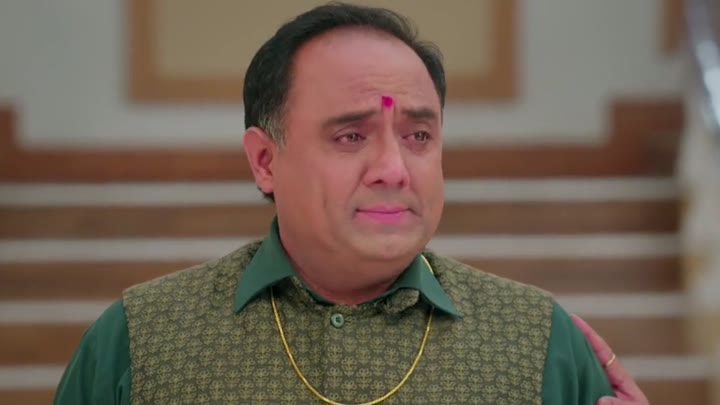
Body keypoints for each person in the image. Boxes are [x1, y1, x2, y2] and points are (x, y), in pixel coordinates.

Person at [54, 2, 650, 404]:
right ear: (265, 161)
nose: (394, 169)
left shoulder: (539, 343)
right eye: (350, 136)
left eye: (419, 136)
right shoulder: (141, 343)